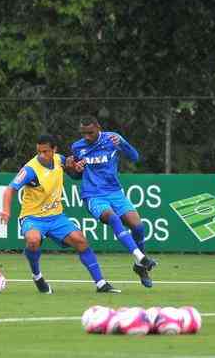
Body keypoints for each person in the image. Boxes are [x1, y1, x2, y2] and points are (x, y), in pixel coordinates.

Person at [0, 134, 121, 294]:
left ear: (54, 150)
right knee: (33, 240)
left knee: (81, 241)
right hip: (33, 217)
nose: (42, 155)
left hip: (56, 217)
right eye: (39, 151)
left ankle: (101, 283)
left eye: (45, 151)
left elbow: (74, 174)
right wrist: (6, 210)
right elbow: (9, 189)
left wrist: (75, 168)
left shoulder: (59, 159)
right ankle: (37, 276)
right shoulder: (30, 170)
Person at [66, 116, 157, 288]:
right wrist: (73, 169)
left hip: (115, 192)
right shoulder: (78, 147)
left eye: (90, 133)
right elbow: (76, 175)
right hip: (93, 195)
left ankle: (140, 267)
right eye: (83, 133)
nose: (87, 137)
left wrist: (122, 143)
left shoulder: (112, 139)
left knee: (138, 227)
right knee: (113, 218)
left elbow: (135, 157)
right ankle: (142, 258)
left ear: (98, 128)